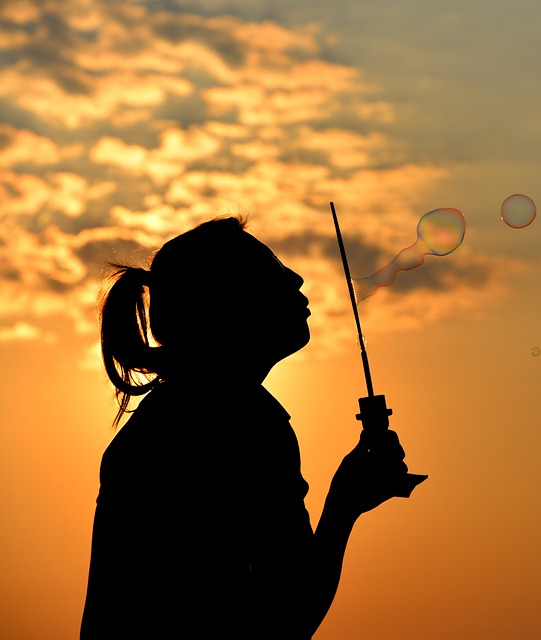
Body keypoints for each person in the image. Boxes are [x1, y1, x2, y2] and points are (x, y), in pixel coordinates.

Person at [80, 216, 425, 639]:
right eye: (273, 270)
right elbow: (283, 618)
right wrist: (343, 507)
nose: (297, 278)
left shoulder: (176, 416)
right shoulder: (239, 424)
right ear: (229, 304)